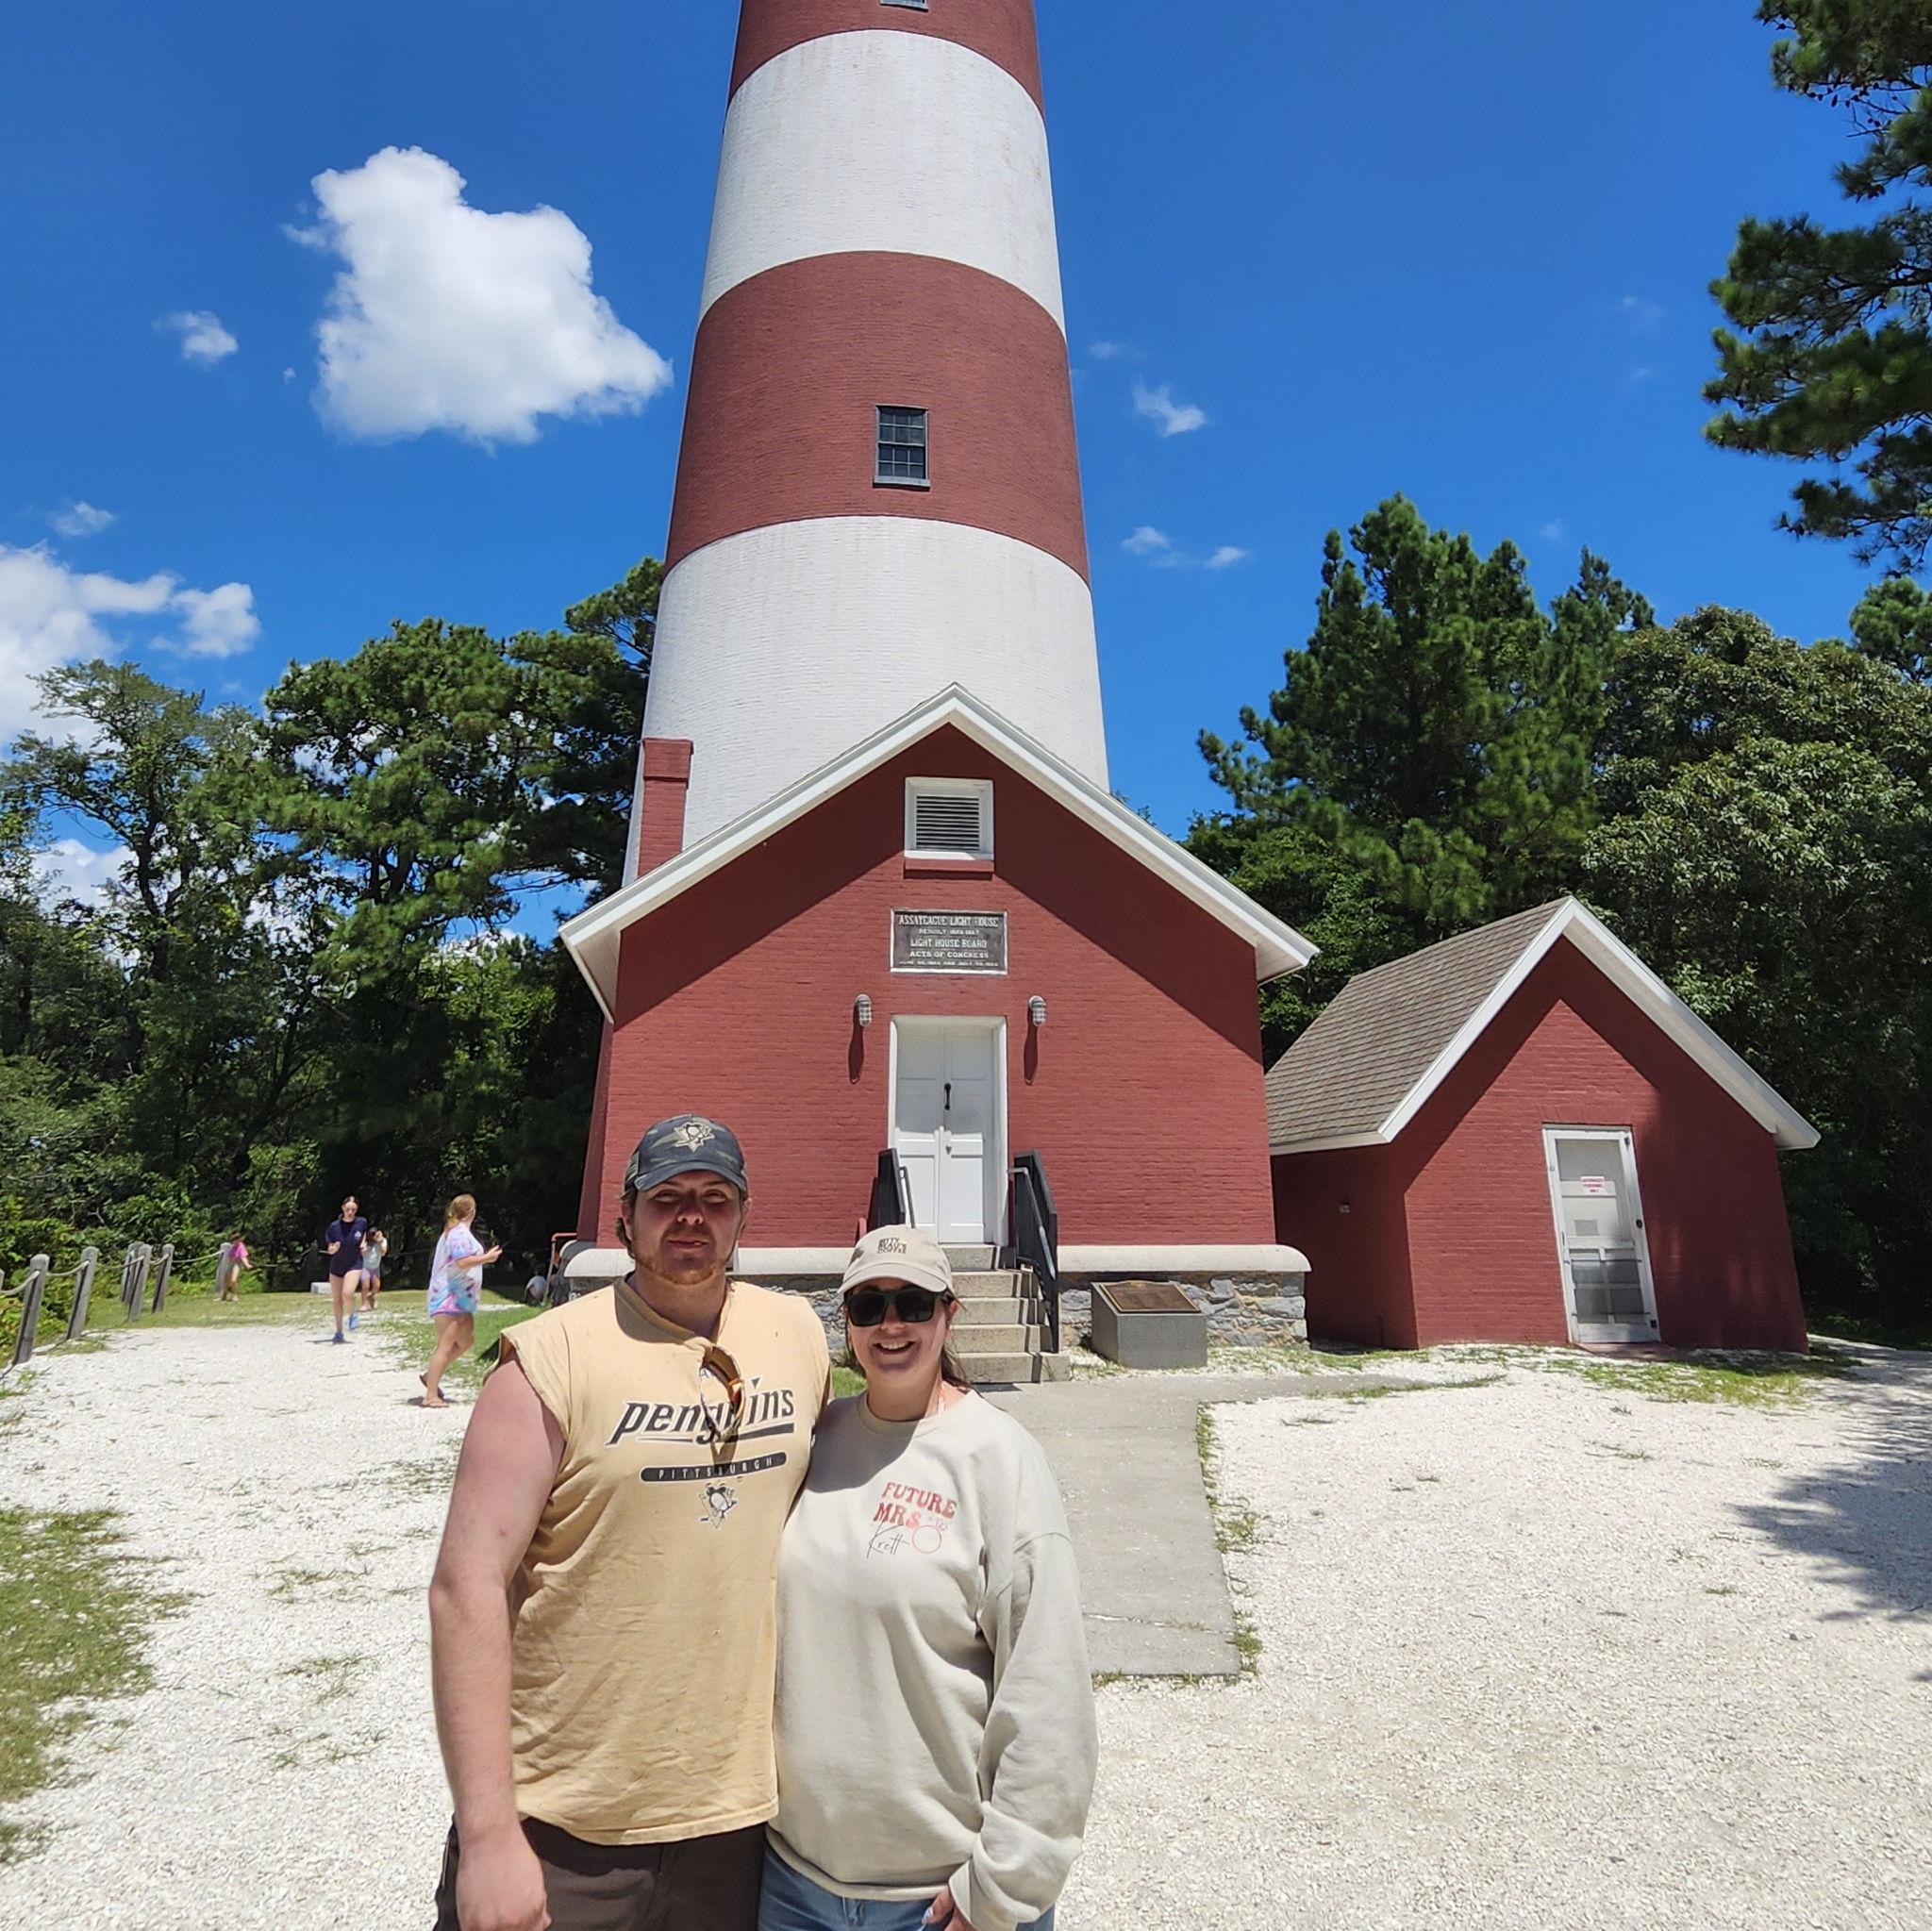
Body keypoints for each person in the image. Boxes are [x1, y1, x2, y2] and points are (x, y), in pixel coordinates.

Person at [427, 1115, 831, 1931]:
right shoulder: (549, 1359)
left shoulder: (795, 1335)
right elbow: (463, 1588)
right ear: (626, 1217)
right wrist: (489, 1832)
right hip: (566, 1826)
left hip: (735, 1822)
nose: (691, 1216)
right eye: (667, 1197)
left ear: (744, 1216)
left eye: (714, 1198)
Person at [761, 1225, 1096, 1931]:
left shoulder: (998, 1458)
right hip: (794, 1885)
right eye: (868, 1305)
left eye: (913, 1303)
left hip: (939, 1902)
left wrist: (1002, 1888)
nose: (891, 1324)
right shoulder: (812, 1442)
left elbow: (1047, 1691)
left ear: (949, 1314)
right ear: (844, 1320)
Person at [421, 1197, 499, 1409]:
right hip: (450, 1297)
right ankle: (430, 1395)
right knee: (446, 1346)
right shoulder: (459, 1234)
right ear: (472, 1211)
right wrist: (487, 1258)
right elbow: (462, 1262)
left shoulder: (456, 1232)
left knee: (466, 1342)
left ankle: (431, 1376)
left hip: (460, 1299)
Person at [324, 1194, 369, 1343]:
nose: (350, 1212)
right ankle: (338, 1332)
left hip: (354, 1264)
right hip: (336, 1266)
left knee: (347, 1293)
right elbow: (329, 1248)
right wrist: (333, 1249)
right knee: (337, 1300)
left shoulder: (361, 1222)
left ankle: (352, 1315)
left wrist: (363, 1244)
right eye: (348, 1209)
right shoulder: (334, 1227)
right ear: (343, 1208)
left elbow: (363, 1236)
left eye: (353, 1209)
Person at [214, 1234, 253, 1303]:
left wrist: (247, 1264)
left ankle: (235, 1296)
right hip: (230, 1264)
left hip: (236, 1264)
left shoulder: (241, 1247)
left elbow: (243, 1257)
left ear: (238, 1240)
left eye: (236, 1240)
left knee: (233, 1280)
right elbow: (230, 1258)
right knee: (225, 1282)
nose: (234, 1242)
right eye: (233, 1241)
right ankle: (223, 1297)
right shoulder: (232, 1247)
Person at [359, 1225, 389, 1314]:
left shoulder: (383, 1241)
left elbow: (384, 1252)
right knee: (365, 1286)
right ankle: (363, 1304)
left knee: (377, 1286)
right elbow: (362, 1252)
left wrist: (379, 1242)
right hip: (366, 1267)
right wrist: (367, 1245)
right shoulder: (366, 1242)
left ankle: (371, 1297)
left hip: (376, 1267)